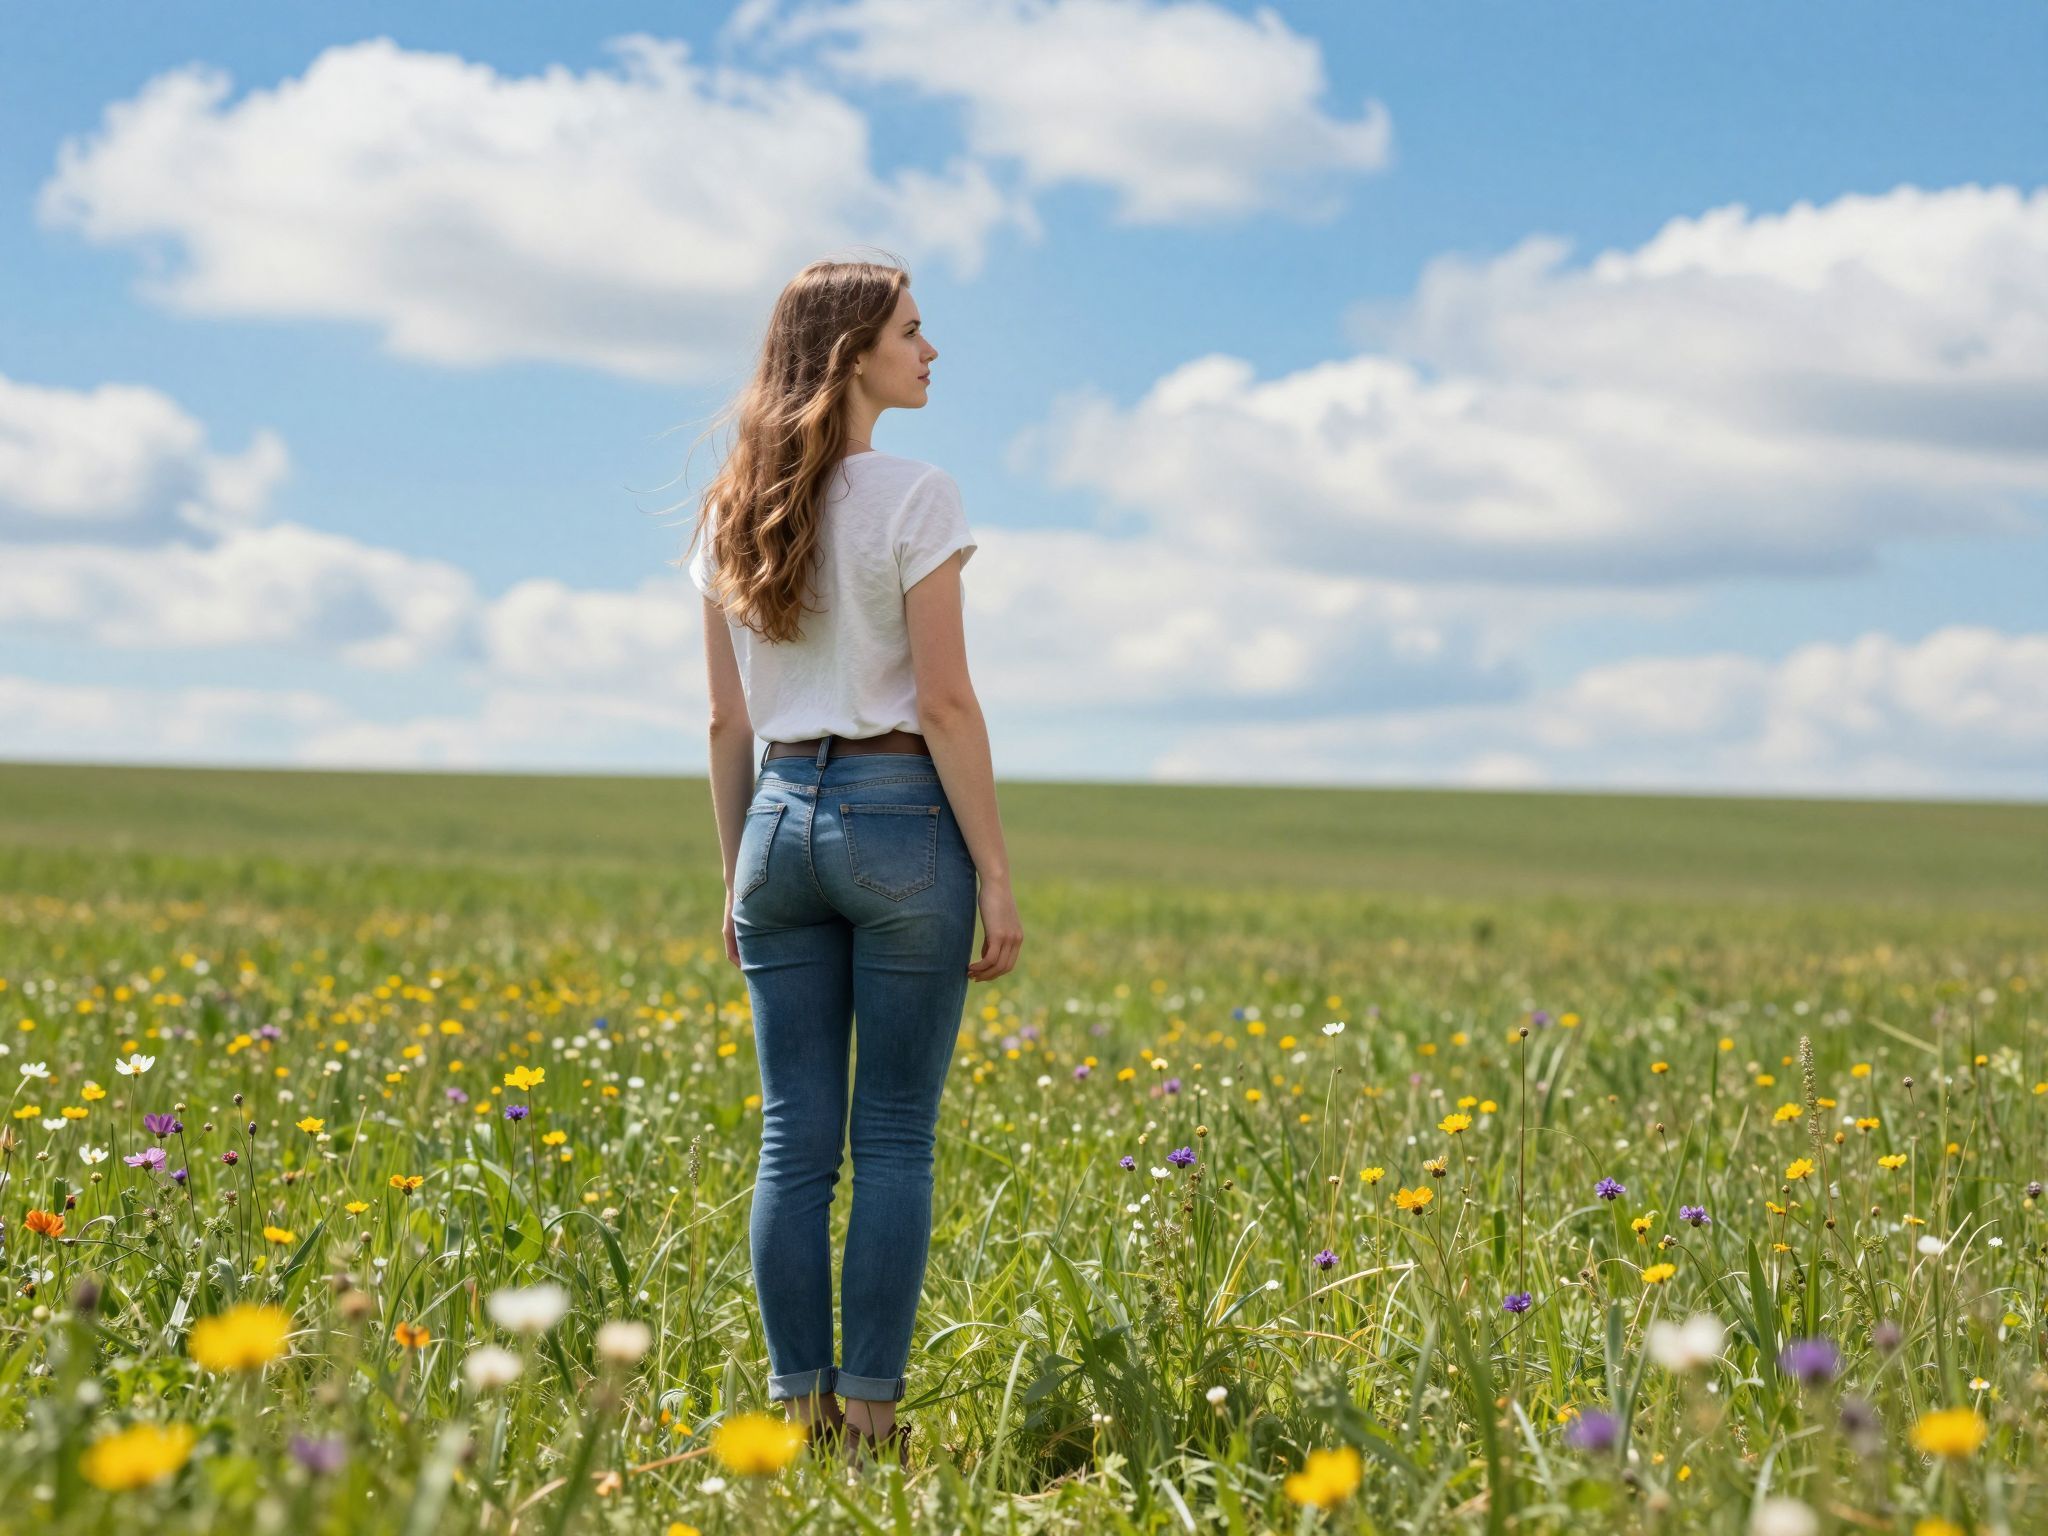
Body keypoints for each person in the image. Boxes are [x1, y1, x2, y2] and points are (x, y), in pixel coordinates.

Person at [682, 257, 1024, 1467]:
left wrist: (734, 877)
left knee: (791, 1140)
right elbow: (942, 699)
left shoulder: (732, 507)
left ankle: (796, 1418)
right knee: (888, 1138)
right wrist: (991, 867)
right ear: (853, 357)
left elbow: (726, 723)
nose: (931, 354)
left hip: (774, 820)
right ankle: (870, 1427)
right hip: (894, 817)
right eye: (913, 334)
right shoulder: (915, 495)